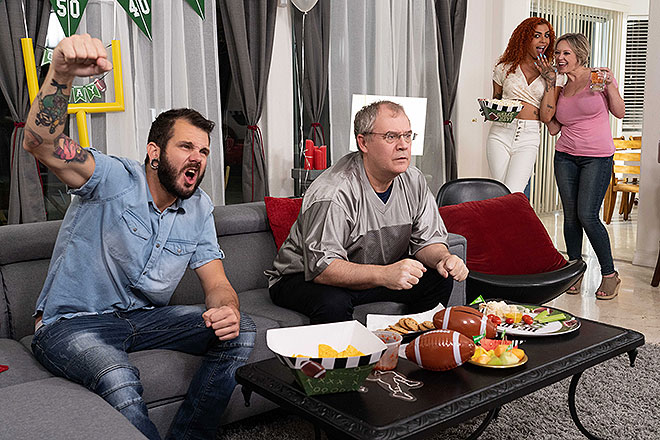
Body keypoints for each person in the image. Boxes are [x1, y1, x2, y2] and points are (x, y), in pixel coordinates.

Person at [22, 34, 255, 440]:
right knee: (117, 374)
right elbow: (41, 143)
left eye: (204, 151)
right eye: (186, 146)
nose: (197, 158)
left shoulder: (199, 208)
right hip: (70, 324)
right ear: (154, 152)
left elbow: (217, 284)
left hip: (143, 321)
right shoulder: (113, 178)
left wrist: (227, 309)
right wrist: (61, 73)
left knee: (242, 330)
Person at [266, 100, 469, 324]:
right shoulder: (334, 191)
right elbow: (323, 268)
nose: (403, 145)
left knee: (439, 278)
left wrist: (444, 258)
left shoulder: (414, 181)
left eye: (407, 135)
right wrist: (385, 275)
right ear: (363, 142)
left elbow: (427, 241)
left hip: (370, 273)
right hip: (302, 278)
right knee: (333, 302)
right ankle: (348, 349)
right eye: (391, 137)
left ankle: (412, 342)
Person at [547, 33, 625, 300]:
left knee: (587, 215)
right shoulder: (560, 85)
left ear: (580, 54)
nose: (559, 58)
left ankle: (610, 275)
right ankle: (575, 271)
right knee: (570, 216)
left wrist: (610, 86)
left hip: (597, 158)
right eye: (558, 53)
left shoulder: (598, 77)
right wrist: (542, 106)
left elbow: (619, 112)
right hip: (565, 156)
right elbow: (554, 127)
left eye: (566, 53)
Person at [486, 17, 564, 193]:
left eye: (547, 35)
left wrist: (549, 80)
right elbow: (496, 101)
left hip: (528, 136)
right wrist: (490, 111)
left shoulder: (555, 75)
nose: (543, 40)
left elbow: (546, 116)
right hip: (500, 133)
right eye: (537, 35)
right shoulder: (504, 68)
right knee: (500, 191)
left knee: (514, 192)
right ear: (524, 38)